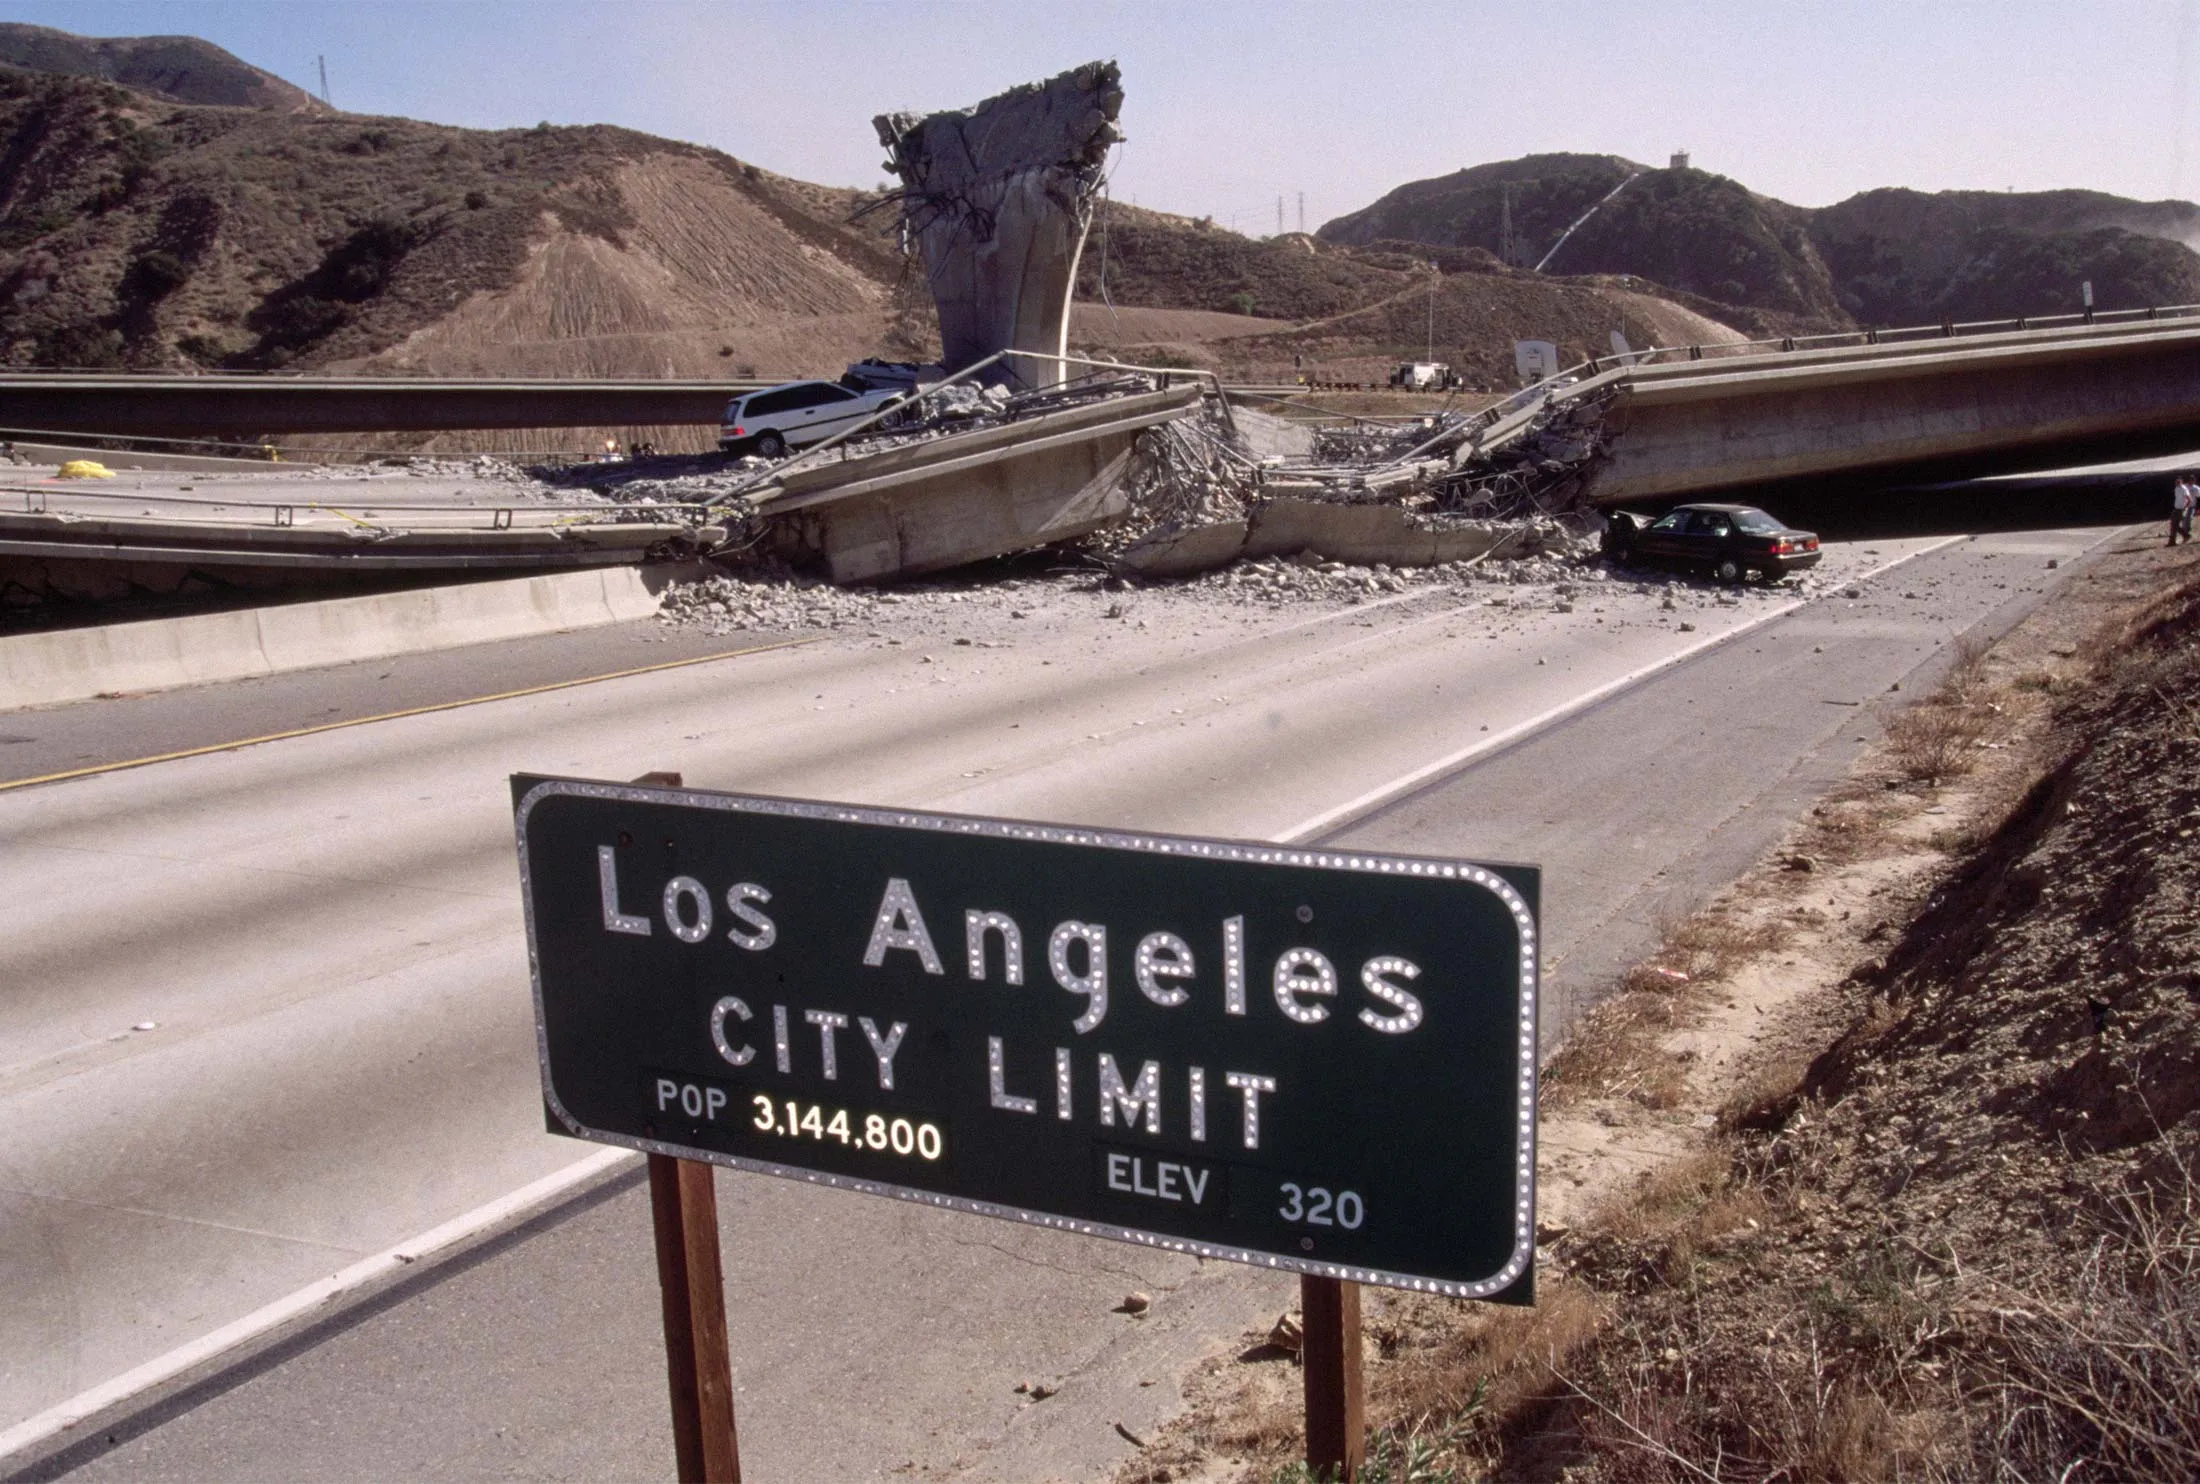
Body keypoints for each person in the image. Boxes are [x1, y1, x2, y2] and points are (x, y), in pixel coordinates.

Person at [2172, 472, 2196, 546]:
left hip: (2181, 509)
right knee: (2174, 525)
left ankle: (2185, 536)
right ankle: (2175, 540)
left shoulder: (2184, 488)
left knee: (2175, 525)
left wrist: (2185, 507)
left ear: (2182, 481)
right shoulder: (2176, 488)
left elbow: (2189, 499)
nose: (2177, 482)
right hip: (2176, 509)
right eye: (2176, 481)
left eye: (2179, 481)